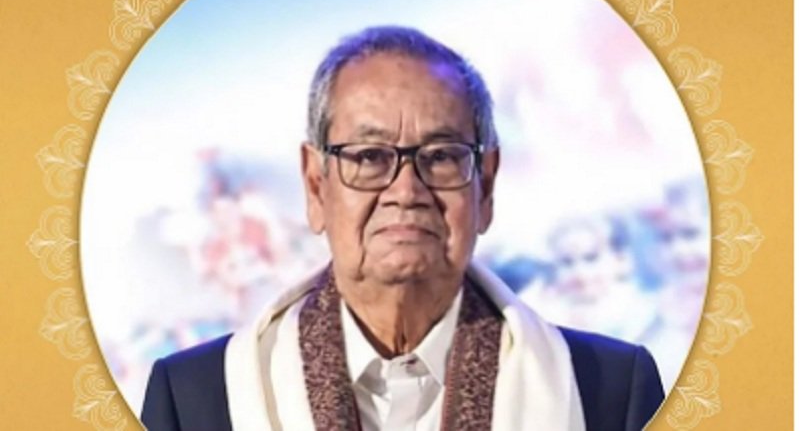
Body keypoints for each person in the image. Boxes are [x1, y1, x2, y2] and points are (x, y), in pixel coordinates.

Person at [141, 26, 664, 431]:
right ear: (316, 186)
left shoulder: (607, 392)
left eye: (441, 157)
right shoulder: (197, 398)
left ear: (485, 186)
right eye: (369, 157)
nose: (406, 191)